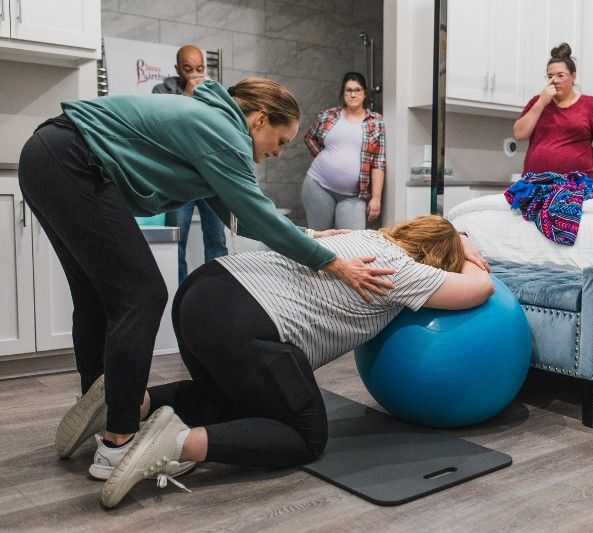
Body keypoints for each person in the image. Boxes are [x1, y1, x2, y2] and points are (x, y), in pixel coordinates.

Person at [17, 76, 397, 478]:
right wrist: (334, 263)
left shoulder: (213, 124)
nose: (278, 152)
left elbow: (237, 216)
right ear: (260, 120)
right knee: (142, 295)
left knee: (98, 299)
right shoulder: (224, 132)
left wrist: (311, 236)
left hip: (47, 156)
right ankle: (119, 439)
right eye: (281, 140)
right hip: (72, 160)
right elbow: (256, 215)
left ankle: (100, 408)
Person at [75, 215, 495, 508]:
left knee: (234, 401)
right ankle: (171, 445)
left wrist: (454, 233)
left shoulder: (359, 237)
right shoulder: (402, 271)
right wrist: (470, 252)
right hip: (244, 322)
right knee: (304, 437)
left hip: (202, 291)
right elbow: (480, 290)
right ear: (439, 258)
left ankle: (131, 400)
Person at [152, 44, 228, 283]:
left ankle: (216, 292)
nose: (195, 75)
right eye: (188, 69)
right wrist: (187, 95)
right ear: (177, 69)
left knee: (217, 241)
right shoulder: (162, 91)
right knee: (177, 241)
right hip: (178, 179)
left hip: (210, 177)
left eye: (199, 68)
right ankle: (182, 300)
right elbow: (160, 127)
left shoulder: (216, 92)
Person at [512, 42, 593, 179]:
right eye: (550, 76)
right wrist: (542, 102)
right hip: (536, 183)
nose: (554, 80)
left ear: (573, 76)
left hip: (576, 185)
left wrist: (583, 160)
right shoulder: (538, 101)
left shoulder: (590, 105)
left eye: (560, 75)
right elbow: (519, 134)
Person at [302, 72, 385, 230]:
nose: (353, 94)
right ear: (343, 93)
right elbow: (309, 137)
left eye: (357, 90)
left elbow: (378, 163)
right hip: (318, 186)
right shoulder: (329, 115)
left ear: (364, 93)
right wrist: (324, 157)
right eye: (348, 90)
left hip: (353, 196)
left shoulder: (375, 121)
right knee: (320, 238)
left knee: (353, 243)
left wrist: (376, 198)